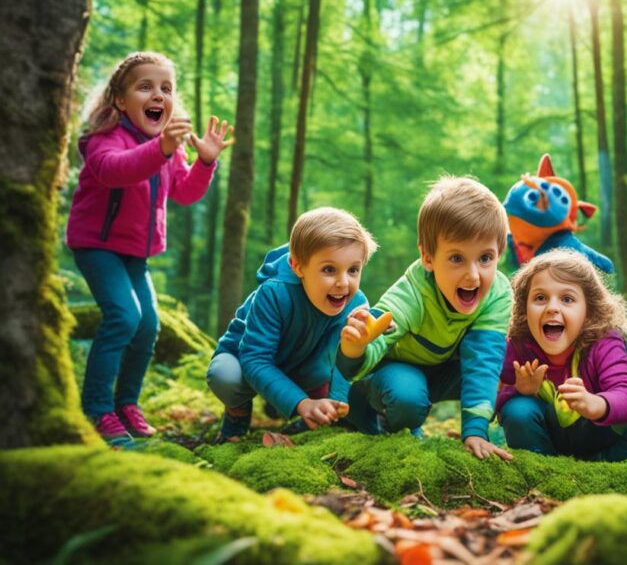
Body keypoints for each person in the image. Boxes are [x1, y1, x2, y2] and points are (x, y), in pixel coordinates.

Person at [67, 51, 233, 442]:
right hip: (97, 244)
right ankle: (96, 408)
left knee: (147, 325)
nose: (158, 95)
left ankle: (126, 403)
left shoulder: (168, 146)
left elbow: (184, 193)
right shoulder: (104, 140)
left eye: (166, 88)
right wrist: (159, 150)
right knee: (124, 316)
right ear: (120, 100)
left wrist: (204, 162)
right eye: (145, 87)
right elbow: (114, 171)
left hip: (135, 253)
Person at [338, 176, 514, 461]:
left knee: (509, 370)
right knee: (408, 399)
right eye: (456, 259)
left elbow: (483, 362)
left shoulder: (497, 294)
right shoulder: (413, 292)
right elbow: (376, 336)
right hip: (396, 371)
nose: (473, 275)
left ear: (500, 253)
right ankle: (380, 417)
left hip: (445, 369)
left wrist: (474, 431)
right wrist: (355, 347)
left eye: (485, 258)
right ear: (428, 257)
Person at [206, 207, 379, 443]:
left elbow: (343, 362)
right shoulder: (274, 293)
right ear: (298, 266)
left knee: (363, 362)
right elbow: (255, 358)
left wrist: (337, 404)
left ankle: (314, 416)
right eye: (329, 269)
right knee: (225, 376)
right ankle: (237, 415)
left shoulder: (356, 304)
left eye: (353, 270)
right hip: (247, 359)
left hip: (306, 365)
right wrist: (301, 403)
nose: (343, 283)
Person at [496, 250, 627, 461]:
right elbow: (492, 394)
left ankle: (597, 464)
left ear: (589, 311)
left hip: (597, 431)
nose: (552, 308)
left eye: (567, 299)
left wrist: (596, 404)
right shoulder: (519, 344)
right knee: (517, 411)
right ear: (523, 308)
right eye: (540, 298)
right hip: (548, 434)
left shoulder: (605, 342)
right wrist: (520, 390)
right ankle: (544, 466)